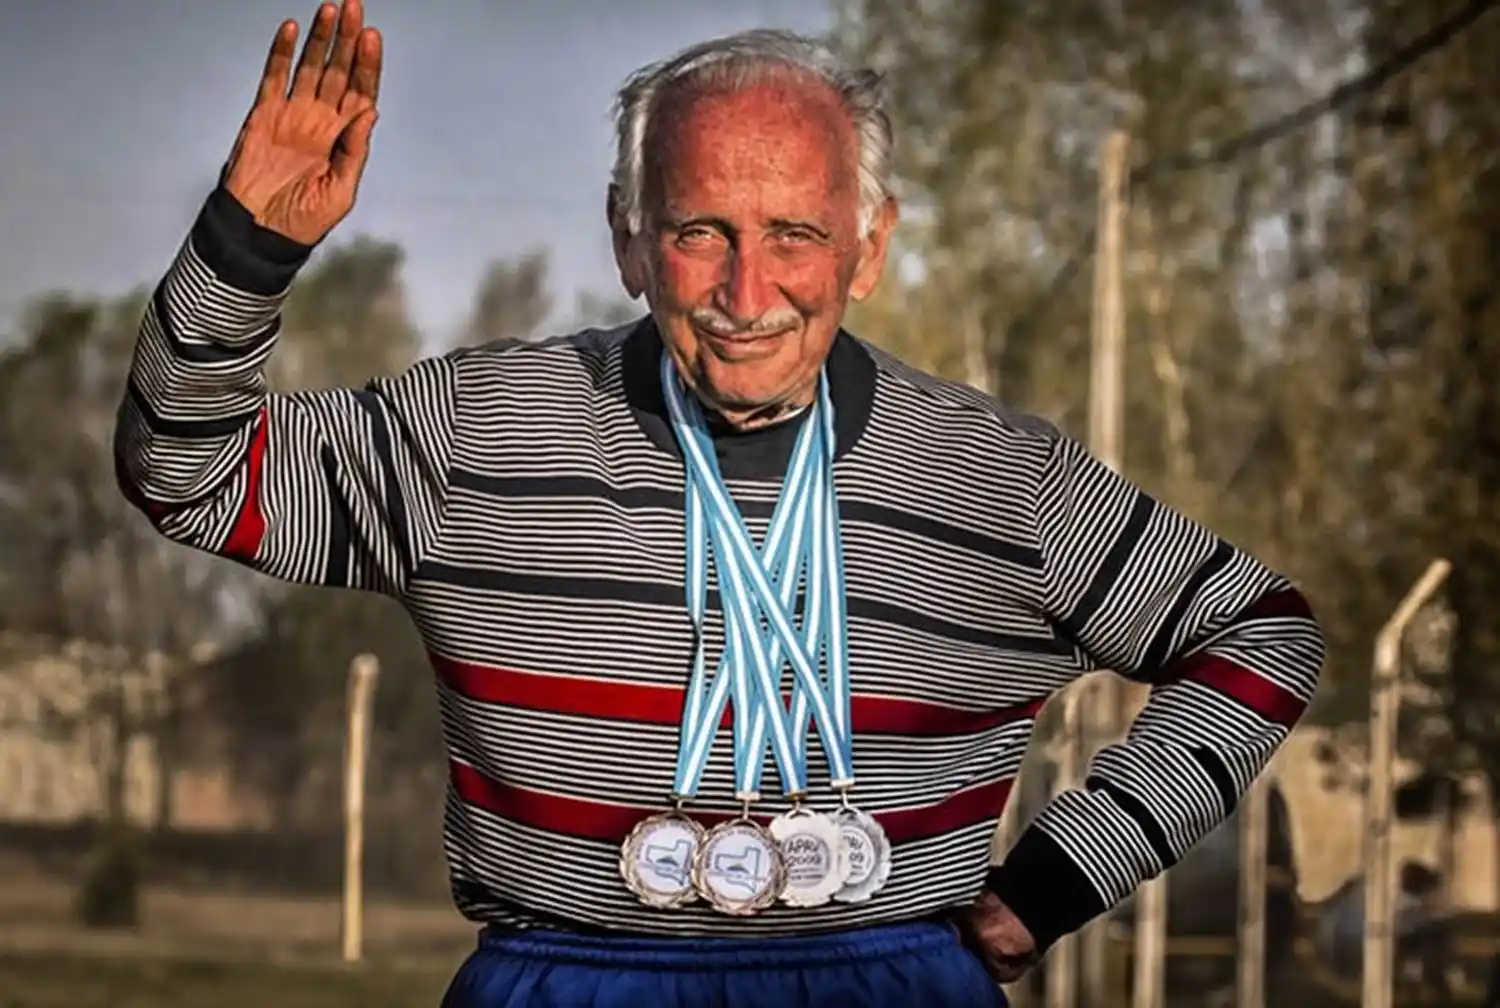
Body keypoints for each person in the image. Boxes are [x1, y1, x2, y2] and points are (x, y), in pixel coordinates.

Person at [113, 3, 1327, 1005]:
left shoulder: (997, 477)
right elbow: (188, 472)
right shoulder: (480, 433)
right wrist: (247, 248)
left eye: (795, 233)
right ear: (630, 240)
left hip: (896, 975)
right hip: (566, 972)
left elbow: (1262, 634)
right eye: (702, 231)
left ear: (869, 245)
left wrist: (1054, 886)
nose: (750, 291)